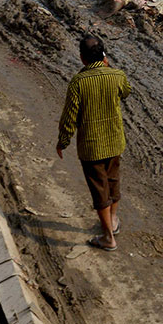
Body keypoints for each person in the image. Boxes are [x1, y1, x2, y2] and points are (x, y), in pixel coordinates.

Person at [56, 34, 131, 252]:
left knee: (100, 191)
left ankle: (108, 237)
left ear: (82, 59)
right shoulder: (117, 75)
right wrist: (110, 67)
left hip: (92, 147)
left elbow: (69, 118)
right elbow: (126, 92)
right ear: (104, 55)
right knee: (113, 181)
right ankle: (113, 220)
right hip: (115, 141)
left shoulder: (79, 82)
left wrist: (63, 141)